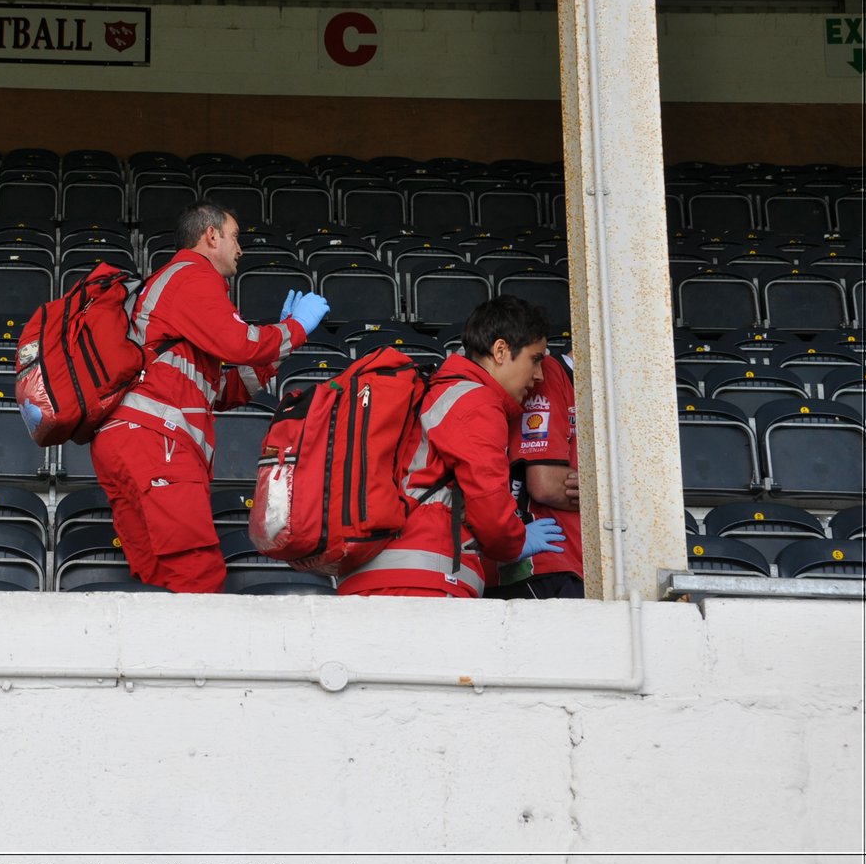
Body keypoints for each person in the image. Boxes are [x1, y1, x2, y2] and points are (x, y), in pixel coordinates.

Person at [91, 200, 330, 592]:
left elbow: (223, 391)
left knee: (162, 578)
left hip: (133, 442)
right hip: (157, 443)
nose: (241, 249)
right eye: (235, 238)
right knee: (197, 574)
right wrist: (295, 328)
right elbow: (241, 344)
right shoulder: (191, 275)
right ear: (211, 236)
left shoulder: (176, 291)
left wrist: (282, 346)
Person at [336, 295, 564, 598]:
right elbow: (490, 507)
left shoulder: (439, 390)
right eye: (535, 359)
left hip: (373, 576)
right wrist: (515, 541)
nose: (539, 375)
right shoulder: (476, 402)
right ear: (500, 351)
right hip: (422, 580)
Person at [492, 347, 584, 598]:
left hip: (575, 562)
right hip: (546, 563)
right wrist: (607, 495)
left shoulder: (609, 392)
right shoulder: (551, 372)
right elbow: (546, 484)